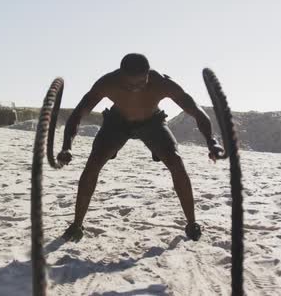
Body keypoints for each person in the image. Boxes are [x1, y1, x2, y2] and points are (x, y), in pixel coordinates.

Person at [57, 53, 226, 242]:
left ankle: (192, 223)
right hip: (117, 124)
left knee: (176, 162)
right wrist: (67, 147)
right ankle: (76, 225)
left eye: (140, 84)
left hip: (152, 124)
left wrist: (211, 141)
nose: (135, 89)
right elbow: (78, 114)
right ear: (120, 76)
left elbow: (197, 111)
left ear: (148, 75)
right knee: (92, 165)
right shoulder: (107, 83)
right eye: (129, 85)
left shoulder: (162, 83)